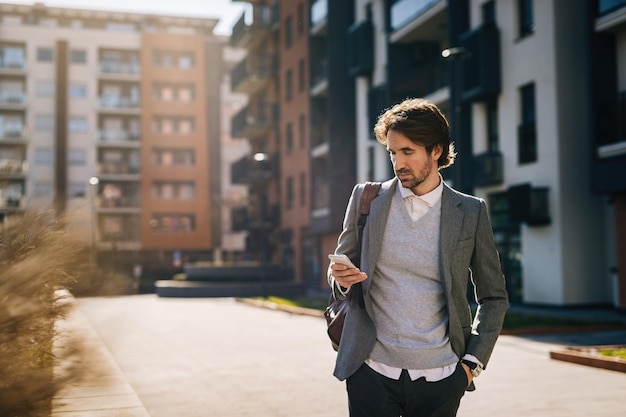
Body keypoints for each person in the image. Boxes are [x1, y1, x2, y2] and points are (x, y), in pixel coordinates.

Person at [328, 98, 508, 417]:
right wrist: (341, 281)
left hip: (441, 378)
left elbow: (493, 295)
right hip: (370, 372)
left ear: (435, 151)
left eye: (407, 152)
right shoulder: (367, 199)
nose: (398, 163)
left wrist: (471, 365)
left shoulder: (470, 212)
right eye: (393, 153)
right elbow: (341, 269)